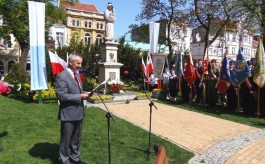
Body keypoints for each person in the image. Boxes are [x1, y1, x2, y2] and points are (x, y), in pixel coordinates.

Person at [55, 53, 90, 164]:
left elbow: (77, 91)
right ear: (70, 62)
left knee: (76, 138)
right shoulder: (62, 76)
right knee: (66, 139)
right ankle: (64, 160)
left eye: (81, 63)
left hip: (78, 111)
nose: (80, 65)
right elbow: (61, 95)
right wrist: (80, 96)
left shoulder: (77, 74)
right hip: (68, 113)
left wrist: (85, 93)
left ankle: (75, 158)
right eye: (78, 63)